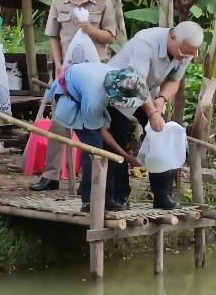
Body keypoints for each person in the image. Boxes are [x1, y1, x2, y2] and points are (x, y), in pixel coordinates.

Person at [32, 0, 121, 192]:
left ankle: (88, 180)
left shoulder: (102, 2)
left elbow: (111, 37)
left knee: (92, 124)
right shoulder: (59, 2)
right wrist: (58, 64)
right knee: (59, 121)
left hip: (95, 74)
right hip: (67, 73)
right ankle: (50, 175)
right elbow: (53, 35)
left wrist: (90, 29)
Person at [107, 20, 204, 210]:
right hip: (120, 92)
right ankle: (119, 195)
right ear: (172, 38)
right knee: (118, 140)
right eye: (184, 52)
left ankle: (162, 195)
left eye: (191, 54)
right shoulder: (146, 41)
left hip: (148, 93)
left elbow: (174, 80)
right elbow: (137, 82)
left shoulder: (186, 49)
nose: (185, 57)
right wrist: (152, 112)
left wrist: (161, 100)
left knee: (161, 135)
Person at [47, 63, 147, 210]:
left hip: (86, 86)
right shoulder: (94, 100)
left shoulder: (122, 78)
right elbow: (102, 133)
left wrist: (123, 155)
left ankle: (107, 198)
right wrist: (127, 157)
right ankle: (89, 200)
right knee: (95, 149)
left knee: (109, 151)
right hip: (70, 95)